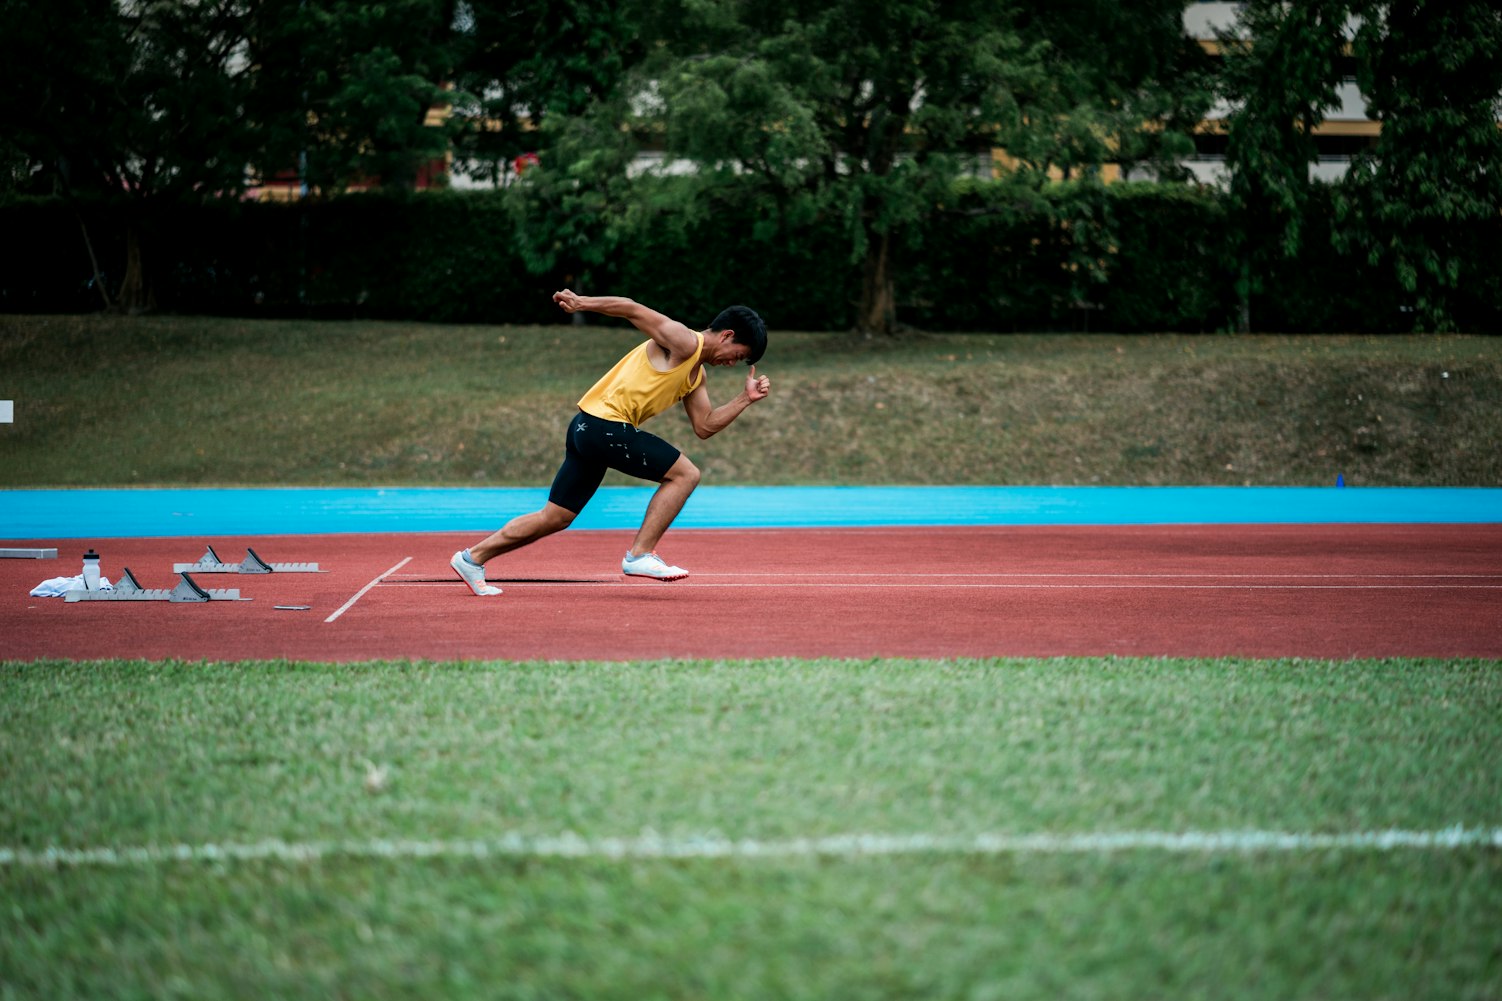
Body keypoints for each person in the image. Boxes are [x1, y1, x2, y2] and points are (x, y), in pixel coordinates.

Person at [450, 289, 771, 596]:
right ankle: (639, 555)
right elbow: (632, 308)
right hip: (603, 426)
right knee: (685, 474)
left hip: (586, 428)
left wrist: (744, 399)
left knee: (556, 517)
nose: (731, 363)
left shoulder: (696, 375)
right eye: (736, 356)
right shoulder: (685, 341)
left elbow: (704, 425)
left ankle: (471, 558)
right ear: (727, 335)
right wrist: (580, 302)